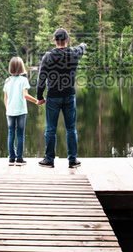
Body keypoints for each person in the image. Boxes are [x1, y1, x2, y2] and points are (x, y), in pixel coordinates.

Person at [35, 28, 86, 168]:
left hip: (53, 97)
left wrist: (39, 96)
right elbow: (82, 48)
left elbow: (41, 79)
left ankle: (49, 159)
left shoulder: (48, 56)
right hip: (69, 96)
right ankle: (72, 159)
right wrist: (83, 44)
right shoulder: (75, 53)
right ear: (67, 40)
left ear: (54, 41)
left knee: (51, 128)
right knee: (71, 128)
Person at [3, 56, 39, 166]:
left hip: (10, 112)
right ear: (22, 67)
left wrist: (7, 108)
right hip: (21, 112)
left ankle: (11, 158)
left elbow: (5, 97)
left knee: (11, 134)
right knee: (20, 134)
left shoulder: (7, 80)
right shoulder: (23, 80)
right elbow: (25, 95)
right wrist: (37, 101)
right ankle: (19, 158)